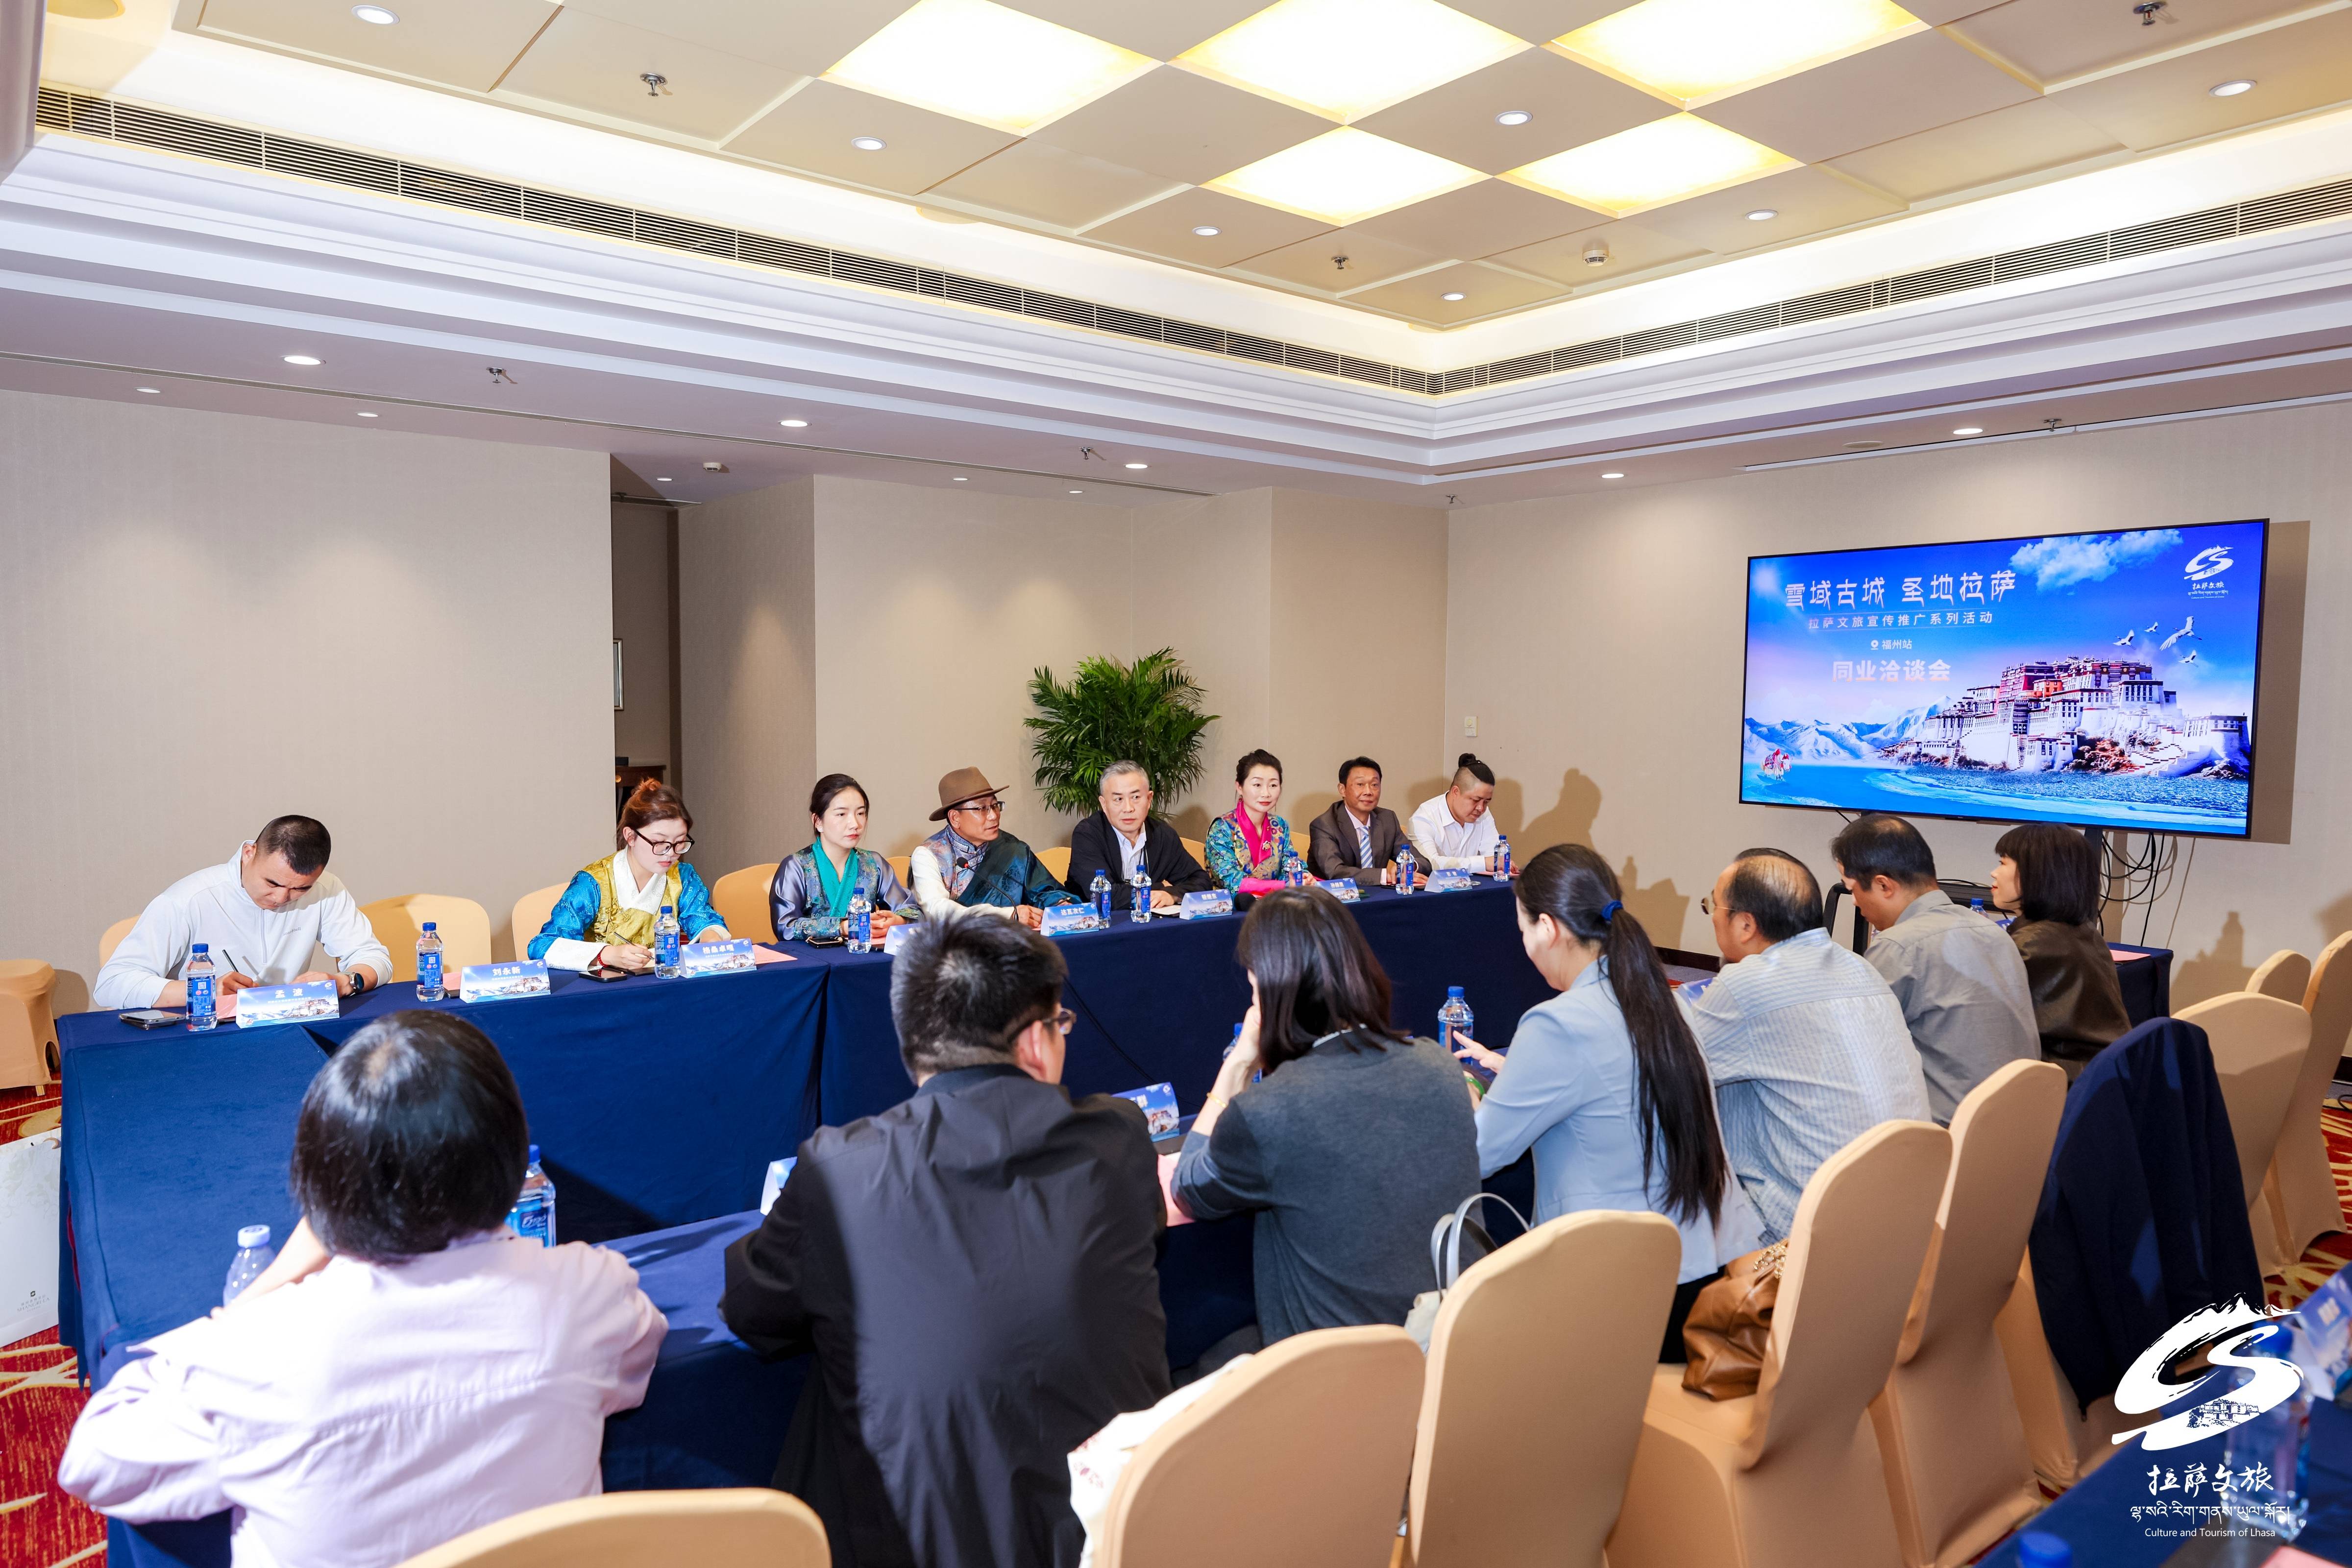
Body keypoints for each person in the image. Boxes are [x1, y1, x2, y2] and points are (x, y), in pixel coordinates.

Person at [59, 1011, 664, 1567]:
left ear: (320, 1181)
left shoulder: (264, 1352)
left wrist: (263, 1291)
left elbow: (97, 1460)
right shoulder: (589, 1293)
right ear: (508, 1153)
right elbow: (638, 1342)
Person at [720, 916, 1168, 1568]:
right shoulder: (1119, 1138)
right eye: (1061, 1024)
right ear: (1036, 1042)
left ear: (913, 1043)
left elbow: (752, 1308)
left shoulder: (843, 1169)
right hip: (1117, 1534)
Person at [1450, 846, 1761, 1361]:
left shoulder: (1556, 1023)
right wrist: (1521, 1071)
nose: (1524, 944)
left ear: (1548, 928)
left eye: (1523, 929)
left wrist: (1465, 1097)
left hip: (1626, 1302)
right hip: (1709, 1271)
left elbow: (1478, 1153)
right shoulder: (1665, 1002)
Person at [1173, 887, 1480, 1343]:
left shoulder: (1267, 1111)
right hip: (1458, 1349)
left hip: (1342, 1370)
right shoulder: (1440, 1065)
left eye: (1255, 992)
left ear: (1271, 998)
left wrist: (1237, 1065)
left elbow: (1188, 1187)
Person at [1684, 848, 1932, 1243]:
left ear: (1745, 924)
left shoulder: (1746, 984)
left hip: (1805, 1236)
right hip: (1906, 1222)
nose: (1712, 915)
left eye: (1713, 906)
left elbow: (1664, 1076)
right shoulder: (1860, 967)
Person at [1830, 813, 2038, 1122]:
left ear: (1884, 885)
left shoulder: (1899, 947)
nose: (1855, 902)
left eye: (1853, 889)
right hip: (2020, 1126)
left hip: (1944, 1134)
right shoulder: (1994, 932)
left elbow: (1850, 1057)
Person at [94, 815, 392, 1012]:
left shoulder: (327, 889)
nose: (281, 898)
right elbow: (112, 984)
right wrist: (204, 991)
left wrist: (345, 981)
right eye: (272, 883)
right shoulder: (188, 900)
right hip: (204, 1032)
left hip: (290, 1024)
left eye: (300, 889)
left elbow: (374, 957)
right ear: (249, 853)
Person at [528, 780, 729, 971]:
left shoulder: (682, 876)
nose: (670, 853)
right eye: (660, 843)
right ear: (630, 836)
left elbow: (703, 918)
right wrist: (606, 955)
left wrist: (711, 936)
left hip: (663, 978)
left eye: (680, 842)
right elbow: (542, 946)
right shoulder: (594, 882)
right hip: (606, 987)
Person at [1993, 822, 2132, 1076]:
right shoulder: (2083, 930)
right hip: (2102, 1074)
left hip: (2063, 1080)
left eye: (2003, 863)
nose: (1994, 873)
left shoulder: (2032, 945)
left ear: (2037, 874)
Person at [909, 767, 1080, 930]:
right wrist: (1008, 915)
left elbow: (1043, 891)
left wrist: (1059, 904)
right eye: (982, 809)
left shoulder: (1012, 849)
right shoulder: (929, 855)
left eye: (995, 805)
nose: (994, 816)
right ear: (955, 818)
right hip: (955, 947)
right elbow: (938, 912)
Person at [770, 773, 919, 942]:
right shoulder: (796, 866)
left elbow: (911, 910)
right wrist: (842, 927)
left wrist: (898, 921)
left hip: (864, 953)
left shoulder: (874, 864)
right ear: (818, 821)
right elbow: (785, 927)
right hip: (810, 956)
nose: (855, 824)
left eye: (861, 813)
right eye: (841, 814)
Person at [1061, 760, 1214, 909]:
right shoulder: (1088, 834)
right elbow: (1104, 896)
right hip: (1094, 922)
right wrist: (1161, 887)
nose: (1128, 808)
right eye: (1118, 799)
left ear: (1149, 799)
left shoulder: (1163, 835)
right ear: (1104, 804)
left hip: (1149, 921)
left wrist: (1172, 895)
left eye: (1136, 798)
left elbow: (1201, 881)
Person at [1204, 750, 1310, 894]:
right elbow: (1230, 880)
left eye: (1273, 785)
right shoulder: (1223, 827)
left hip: (1275, 902)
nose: (1266, 793)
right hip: (1233, 905)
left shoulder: (1280, 825)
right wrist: (1284, 885)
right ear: (1239, 787)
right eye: (1257, 785)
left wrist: (1302, 877)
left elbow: (1290, 864)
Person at [1306, 756, 1413, 885]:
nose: (1368, 792)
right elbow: (1336, 872)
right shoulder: (1324, 825)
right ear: (1343, 790)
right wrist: (1386, 876)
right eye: (1360, 785)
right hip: (1335, 895)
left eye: (1374, 785)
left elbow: (1420, 861)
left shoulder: (1387, 819)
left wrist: (1407, 868)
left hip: (1380, 893)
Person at [1408, 753, 1502, 872]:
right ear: (1456, 792)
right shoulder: (1423, 819)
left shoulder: (1483, 813)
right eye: (1476, 800)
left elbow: (1496, 859)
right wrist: (1482, 863)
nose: (1481, 808)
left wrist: (1495, 864)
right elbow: (1429, 864)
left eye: (1486, 802)